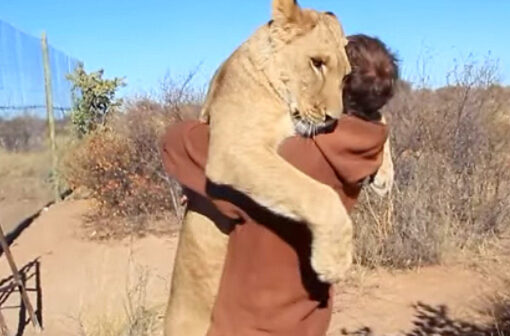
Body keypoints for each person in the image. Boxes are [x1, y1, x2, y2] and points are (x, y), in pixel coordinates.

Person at [162, 34, 399, 336]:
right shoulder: (368, 144)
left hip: (253, 322)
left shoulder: (291, 158)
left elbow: (178, 143)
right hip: (308, 317)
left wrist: (200, 185)